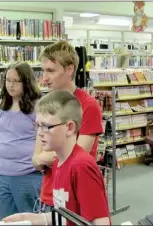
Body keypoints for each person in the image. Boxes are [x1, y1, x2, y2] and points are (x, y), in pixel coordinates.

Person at [3, 90, 110, 226]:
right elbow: (67, 215)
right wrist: (30, 218)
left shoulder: (81, 166)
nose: (40, 133)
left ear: (70, 128)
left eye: (46, 126)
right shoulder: (58, 163)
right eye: (37, 125)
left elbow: (100, 221)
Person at [32, 41, 104, 212]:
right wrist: (42, 159)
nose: (44, 78)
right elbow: (36, 159)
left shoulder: (88, 105)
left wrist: (45, 157)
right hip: (49, 195)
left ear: (69, 69)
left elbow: (75, 158)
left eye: (51, 71)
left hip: (75, 197)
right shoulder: (46, 105)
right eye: (43, 71)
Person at [0, 62, 42, 219]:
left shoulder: (37, 108)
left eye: (16, 81)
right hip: (2, 174)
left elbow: (43, 139)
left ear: (27, 82)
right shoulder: (2, 106)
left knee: (28, 219)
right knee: (6, 219)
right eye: (8, 80)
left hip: (26, 173)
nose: (10, 85)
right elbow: (0, 134)